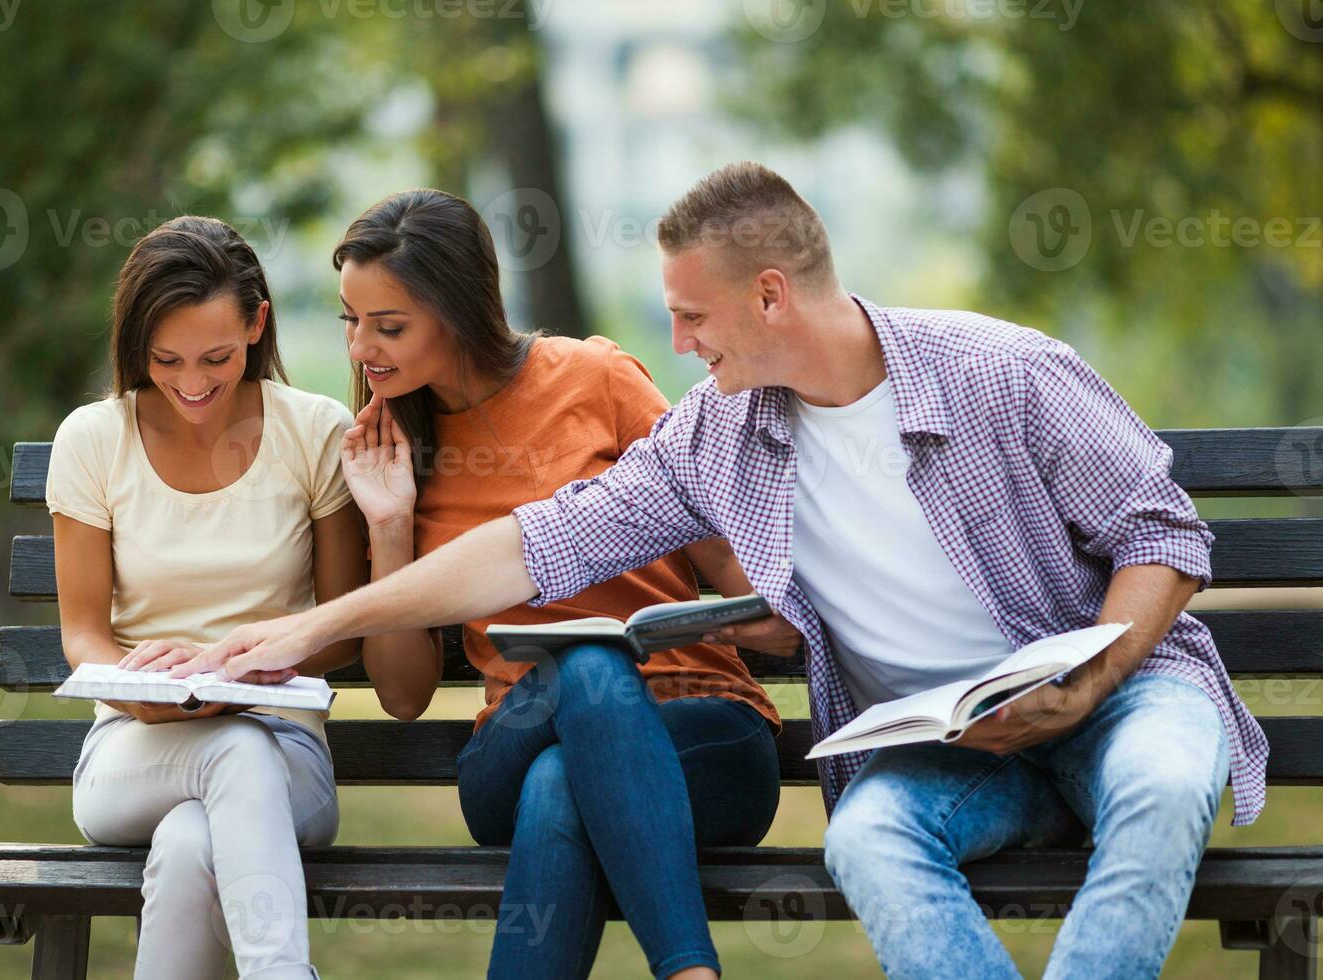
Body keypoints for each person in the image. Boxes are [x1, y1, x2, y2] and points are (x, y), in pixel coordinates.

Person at [175, 164, 1269, 978]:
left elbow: (1163, 533)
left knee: (1166, 784)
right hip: (947, 742)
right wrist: (303, 630)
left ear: (773, 296)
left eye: (693, 314)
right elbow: (532, 545)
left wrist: (1088, 676)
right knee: (867, 839)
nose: (679, 340)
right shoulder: (719, 436)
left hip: (1119, 693)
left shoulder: (1005, 372)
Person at [239, 187, 784, 980]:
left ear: (458, 312)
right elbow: (402, 694)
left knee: (564, 779)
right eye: (350, 322)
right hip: (514, 740)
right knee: (586, 672)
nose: (361, 348)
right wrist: (389, 524)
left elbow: (728, 565)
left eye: (388, 327)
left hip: (703, 732)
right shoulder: (392, 447)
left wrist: (777, 601)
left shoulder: (599, 380)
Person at [47, 216, 367, 979]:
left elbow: (344, 632)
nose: (192, 382)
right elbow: (85, 638)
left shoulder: (314, 430)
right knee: (226, 753)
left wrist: (241, 668)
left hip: (286, 752)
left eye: (216, 357)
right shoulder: (94, 439)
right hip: (132, 748)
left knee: (194, 837)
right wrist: (143, 691)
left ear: (257, 324)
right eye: (166, 360)